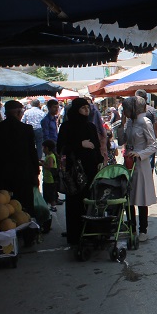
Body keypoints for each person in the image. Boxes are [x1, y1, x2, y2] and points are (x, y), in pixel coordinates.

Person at [0, 100, 39, 216]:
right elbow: (32, 153)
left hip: (0, 175)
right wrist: (35, 173)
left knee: (2, 211)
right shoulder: (26, 129)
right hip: (22, 175)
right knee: (23, 210)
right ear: (18, 112)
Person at [57, 98, 102, 246]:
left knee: (89, 201)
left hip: (90, 171)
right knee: (75, 203)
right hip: (74, 173)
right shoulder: (66, 127)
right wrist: (79, 145)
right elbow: (61, 148)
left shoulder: (90, 125)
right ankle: (75, 235)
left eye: (87, 108)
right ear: (75, 110)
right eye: (83, 108)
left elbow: (96, 147)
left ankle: (91, 232)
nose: (86, 111)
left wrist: (100, 161)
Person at [122, 96, 157, 242]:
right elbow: (123, 140)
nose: (124, 111)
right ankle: (131, 227)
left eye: (126, 109)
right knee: (128, 197)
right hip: (128, 162)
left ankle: (143, 229)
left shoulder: (145, 122)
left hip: (140, 163)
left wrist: (139, 154)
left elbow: (153, 145)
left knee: (141, 196)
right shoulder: (130, 122)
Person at [40, 140, 59, 211]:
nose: (43, 150)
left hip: (50, 180)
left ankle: (53, 206)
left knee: (50, 195)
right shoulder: (49, 156)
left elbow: (50, 167)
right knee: (47, 194)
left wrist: (42, 165)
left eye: (43, 148)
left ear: (47, 148)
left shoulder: (50, 156)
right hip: (47, 179)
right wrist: (43, 162)